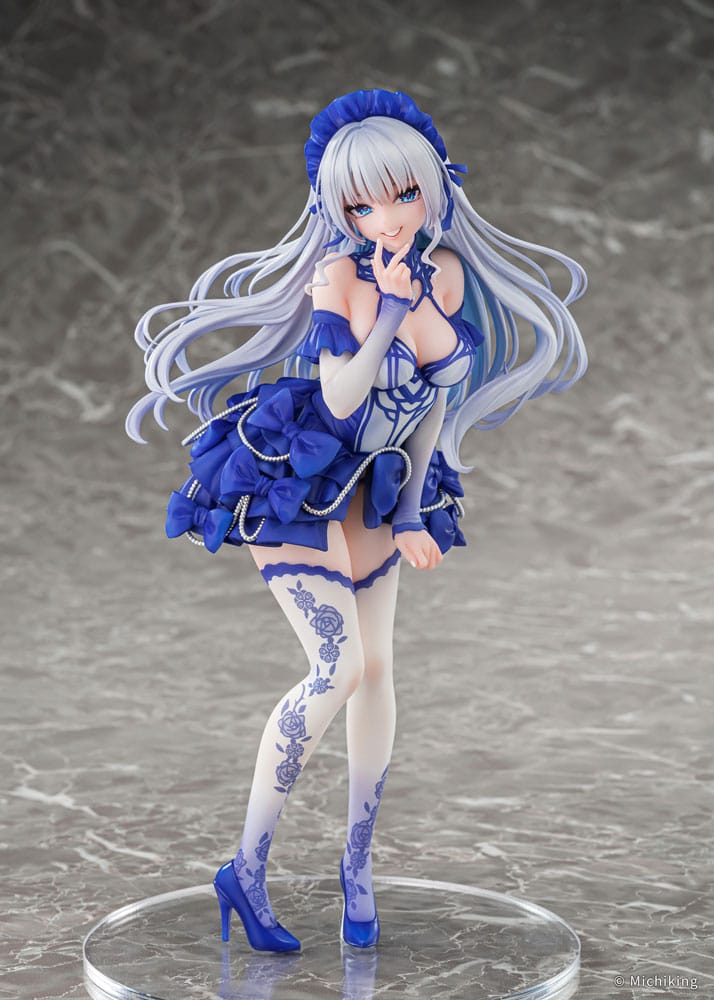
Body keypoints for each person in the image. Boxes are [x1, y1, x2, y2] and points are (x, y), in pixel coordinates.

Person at [126, 89, 588, 952]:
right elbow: (342, 395)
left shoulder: (444, 271)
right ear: (338, 210)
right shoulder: (338, 275)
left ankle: (358, 866)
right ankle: (245, 868)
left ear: (434, 185)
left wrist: (411, 511)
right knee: (335, 668)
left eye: (403, 193)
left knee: (377, 672)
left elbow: (433, 404)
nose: (387, 217)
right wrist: (392, 311)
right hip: (295, 473)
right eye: (362, 205)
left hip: (376, 484)